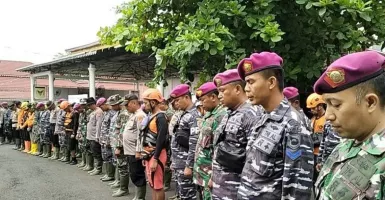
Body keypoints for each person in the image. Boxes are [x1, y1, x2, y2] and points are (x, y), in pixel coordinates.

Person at [237, 52, 314, 199]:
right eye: (246, 82)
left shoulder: (293, 125)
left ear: (271, 82)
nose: (246, 89)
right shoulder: (263, 118)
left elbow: (297, 189)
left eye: (251, 82)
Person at [312, 51, 385, 199]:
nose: (328, 115)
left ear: (370, 102)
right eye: (326, 104)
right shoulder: (345, 145)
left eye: (336, 104)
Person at [210, 69, 260, 200]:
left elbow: (254, 160)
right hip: (221, 187)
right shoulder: (228, 113)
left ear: (237, 89)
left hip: (236, 190)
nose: (219, 96)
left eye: (222, 90)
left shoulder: (251, 114)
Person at [193, 82, 227, 200]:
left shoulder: (221, 115)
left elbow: (218, 149)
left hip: (211, 173)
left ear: (213, 97)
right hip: (203, 172)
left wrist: (214, 176)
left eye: (203, 100)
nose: (201, 104)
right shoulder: (208, 114)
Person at [169, 84, 200, 200]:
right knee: (182, 195)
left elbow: (194, 143)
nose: (176, 103)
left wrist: (189, 166)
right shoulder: (184, 114)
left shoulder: (193, 116)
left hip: (185, 163)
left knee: (188, 196)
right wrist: (174, 160)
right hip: (179, 162)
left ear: (187, 97)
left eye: (178, 100)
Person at [115, 94, 147, 198]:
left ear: (134, 103)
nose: (126, 107)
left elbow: (140, 135)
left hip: (135, 151)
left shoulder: (140, 116)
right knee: (134, 174)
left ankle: (140, 197)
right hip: (130, 151)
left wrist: (138, 151)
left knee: (138, 175)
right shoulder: (133, 115)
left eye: (127, 105)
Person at [139, 88, 169, 200]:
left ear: (153, 102)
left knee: (158, 186)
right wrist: (144, 154)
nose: (144, 105)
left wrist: (155, 159)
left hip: (157, 154)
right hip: (149, 154)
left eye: (146, 103)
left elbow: (161, 139)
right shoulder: (151, 116)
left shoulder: (161, 117)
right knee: (152, 184)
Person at [98, 96, 117, 181]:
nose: (100, 108)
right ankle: (108, 174)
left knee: (110, 157)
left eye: (101, 106)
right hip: (104, 139)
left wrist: (109, 140)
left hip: (108, 140)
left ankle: (111, 175)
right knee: (105, 156)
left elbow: (112, 128)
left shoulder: (112, 113)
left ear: (105, 104)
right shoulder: (106, 113)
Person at [88, 97, 105, 176]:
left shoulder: (99, 112)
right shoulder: (93, 112)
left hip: (95, 136)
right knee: (93, 152)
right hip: (91, 136)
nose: (88, 107)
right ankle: (95, 167)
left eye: (89, 105)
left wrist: (97, 136)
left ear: (92, 104)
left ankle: (98, 168)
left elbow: (99, 125)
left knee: (97, 153)